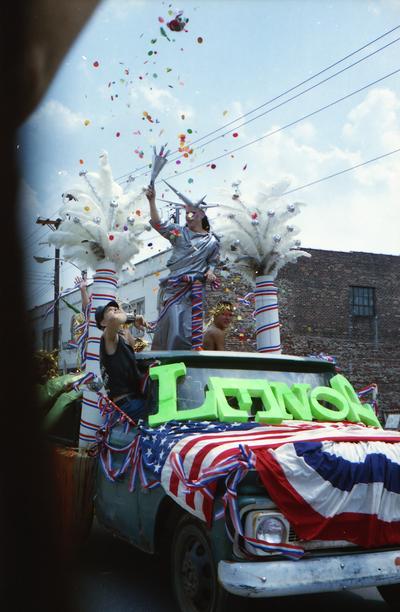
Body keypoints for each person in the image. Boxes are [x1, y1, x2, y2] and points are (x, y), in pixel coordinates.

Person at [145, 184, 220, 350]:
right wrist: (152, 201)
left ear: (202, 214)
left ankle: (189, 360)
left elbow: (212, 262)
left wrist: (210, 272)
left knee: (189, 330)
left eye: (192, 213)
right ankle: (166, 358)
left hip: (194, 290)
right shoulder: (179, 233)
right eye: (186, 213)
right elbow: (158, 224)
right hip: (174, 287)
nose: (188, 216)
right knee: (171, 324)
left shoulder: (212, 242)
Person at [95, 300, 149, 421]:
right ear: (103, 322)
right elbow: (114, 319)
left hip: (134, 402)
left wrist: (133, 321)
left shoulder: (121, 337)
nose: (115, 310)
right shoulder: (107, 336)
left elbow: (137, 347)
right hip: (128, 405)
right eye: (109, 310)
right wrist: (133, 317)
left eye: (116, 308)